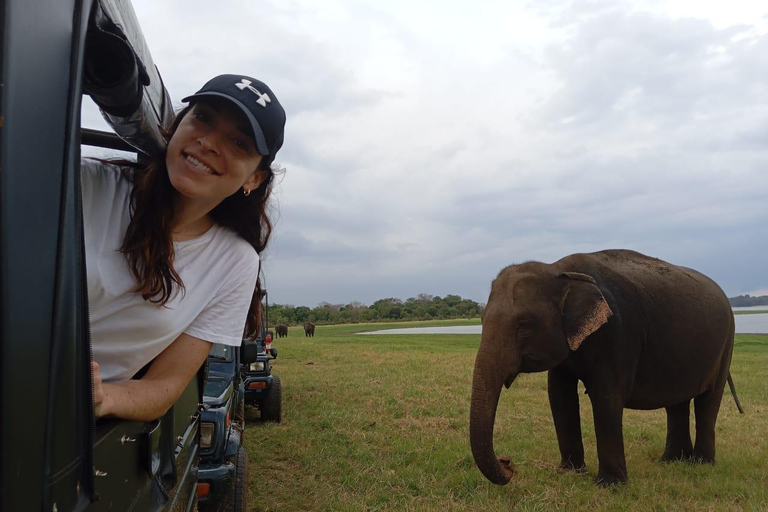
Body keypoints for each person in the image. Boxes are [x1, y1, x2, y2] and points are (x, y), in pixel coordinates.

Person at [84, 74, 286, 421]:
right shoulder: (87, 185)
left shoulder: (234, 262)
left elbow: (165, 385)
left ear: (254, 178)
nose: (208, 143)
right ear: (177, 124)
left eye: (238, 143)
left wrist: (108, 399)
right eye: (203, 117)